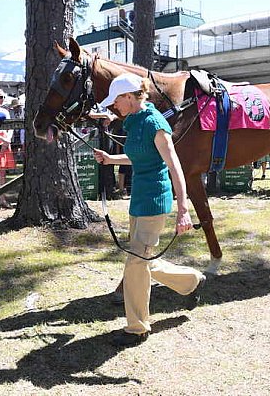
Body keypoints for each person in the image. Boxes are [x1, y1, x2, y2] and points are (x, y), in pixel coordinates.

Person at [92, 73, 206, 347]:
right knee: (144, 260)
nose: (113, 107)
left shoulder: (155, 124)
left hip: (155, 201)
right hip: (139, 200)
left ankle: (137, 328)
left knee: (135, 262)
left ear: (130, 97)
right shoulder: (135, 121)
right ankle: (192, 281)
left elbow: (174, 166)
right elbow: (139, 154)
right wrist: (110, 159)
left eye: (115, 102)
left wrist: (183, 209)